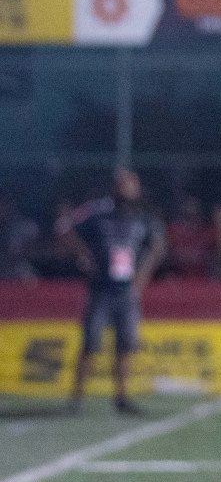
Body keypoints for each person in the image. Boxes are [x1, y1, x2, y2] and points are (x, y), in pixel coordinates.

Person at [58, 168, 166, 415]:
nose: (126, 189)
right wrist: (83, 254)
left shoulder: (143, 216)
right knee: (91, 343)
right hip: (101, 290)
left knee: (125, 345)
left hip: (127, 291)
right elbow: (65, 227)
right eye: (122, 184)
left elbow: (159, 245)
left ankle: (122, 397)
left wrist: (143, 274)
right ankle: (76, 398)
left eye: (130, 184)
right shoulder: (97, 211)